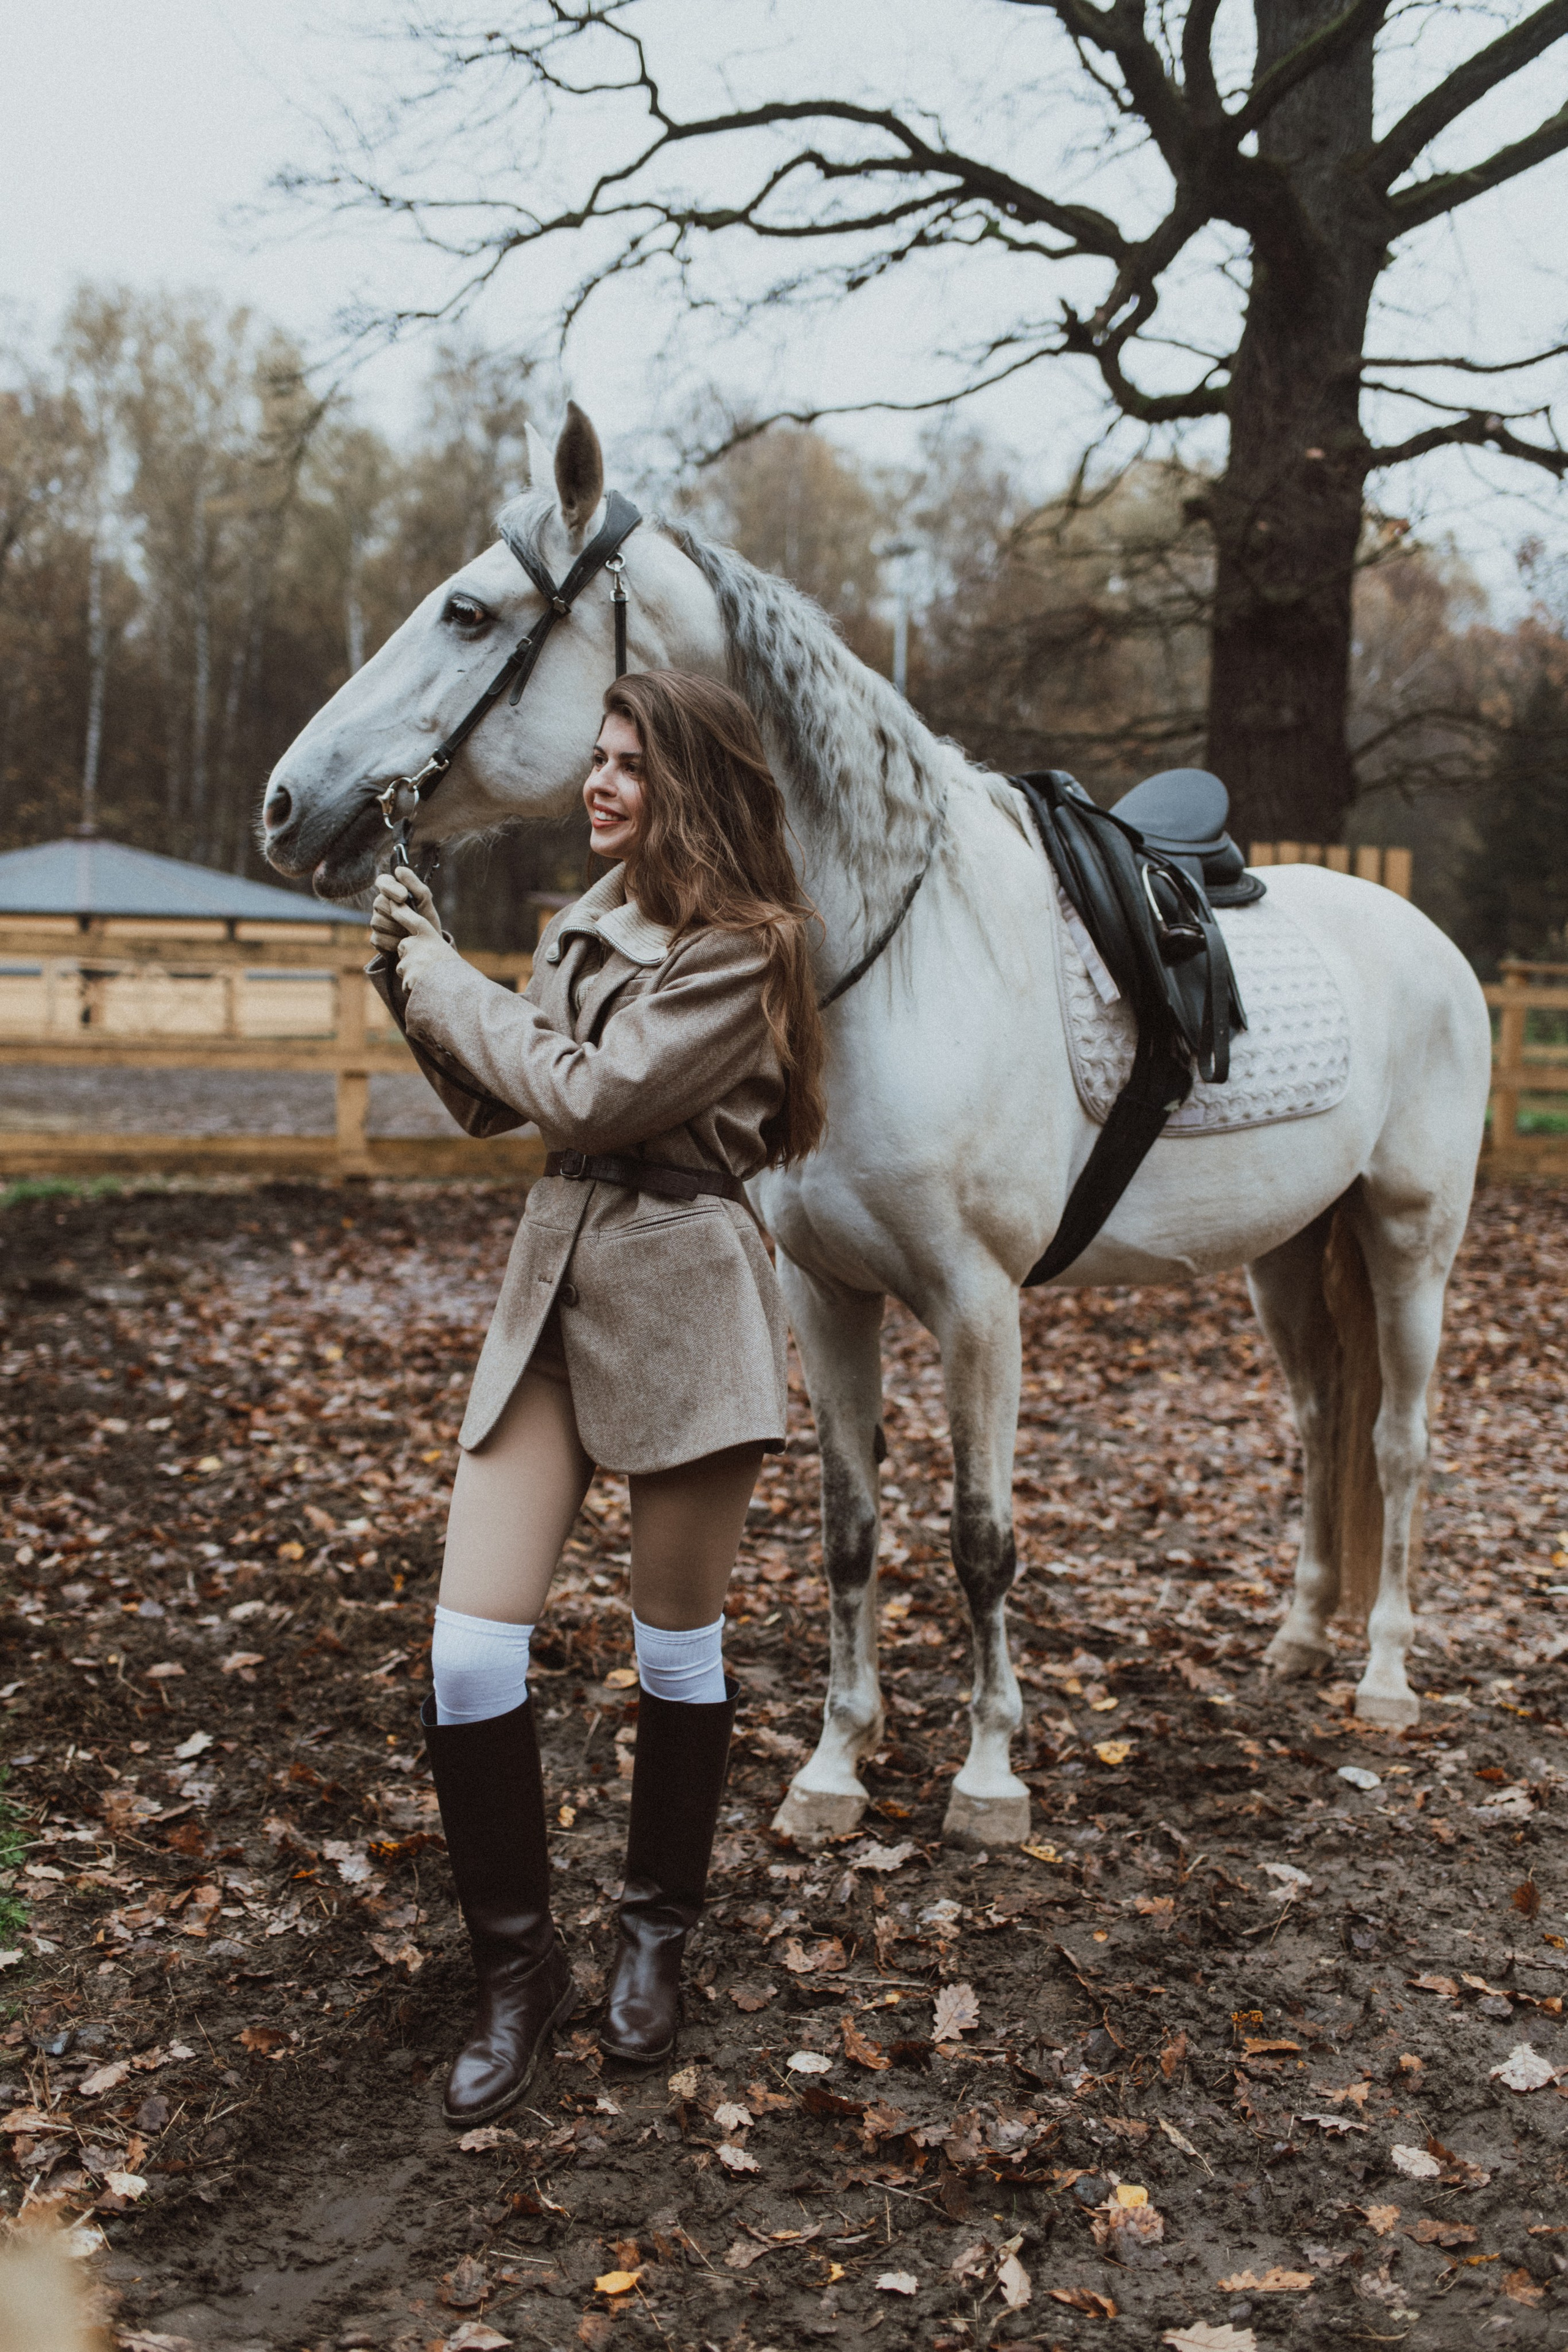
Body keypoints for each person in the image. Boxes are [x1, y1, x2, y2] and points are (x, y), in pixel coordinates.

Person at [368, 669, 826, 2128]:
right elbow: (503, 1102)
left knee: (674, 1655)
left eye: (629, 763)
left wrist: (453, 988)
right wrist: (410, 984)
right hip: (549, 1297)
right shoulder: (581, 924)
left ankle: (650, 1936)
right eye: (596, 759)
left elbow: (593, 1091)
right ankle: (519, 1977)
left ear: (689, 781)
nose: (598, 785)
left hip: (689, 1311)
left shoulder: (749, 950)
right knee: (465, 1657)